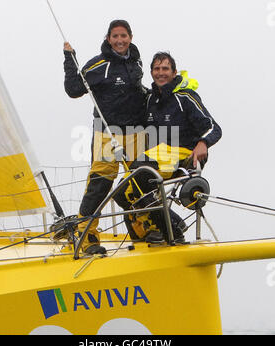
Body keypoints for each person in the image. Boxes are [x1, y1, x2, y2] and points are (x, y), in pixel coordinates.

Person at [114, 52, 222, 243]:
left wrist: (203, 144)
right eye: (156, 69)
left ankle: (172, 231)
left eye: (165, 69)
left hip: (185, 154)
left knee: (141, 173)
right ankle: (156, 231)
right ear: (151, 72)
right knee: (122, 193)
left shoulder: (185, 97)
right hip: (158, 155)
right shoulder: (151, 100)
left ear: (173, 73)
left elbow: (213, 127)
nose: (160, 73)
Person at [60, 20, 147, 255]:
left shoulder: (136, 62)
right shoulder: (98, 64)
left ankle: (144, 229)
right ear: (108, 38)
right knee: (100, 185)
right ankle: (86, 237)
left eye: (124, 36)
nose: (120, 40)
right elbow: (73, 89)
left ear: (130, 37)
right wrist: (70, 59)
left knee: (142, 182)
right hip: (107, 133)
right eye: (115, 36)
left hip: (136, 132)